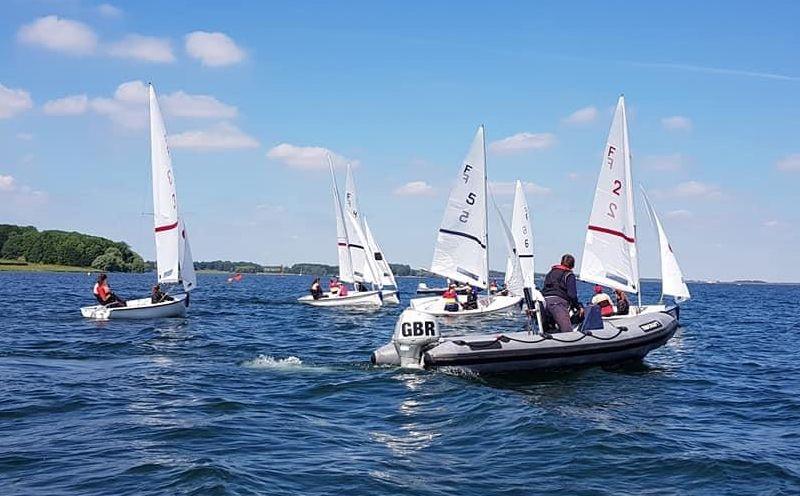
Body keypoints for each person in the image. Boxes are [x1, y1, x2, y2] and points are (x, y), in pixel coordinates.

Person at [541, 254, 583, 332]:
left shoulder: (550, 273)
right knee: (567, 332)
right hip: (557, 304)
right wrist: (578, 307)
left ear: (561, 262)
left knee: (548, 329)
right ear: (572, 265)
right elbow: (572, 295)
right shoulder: (569, 275)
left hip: (544, 302)